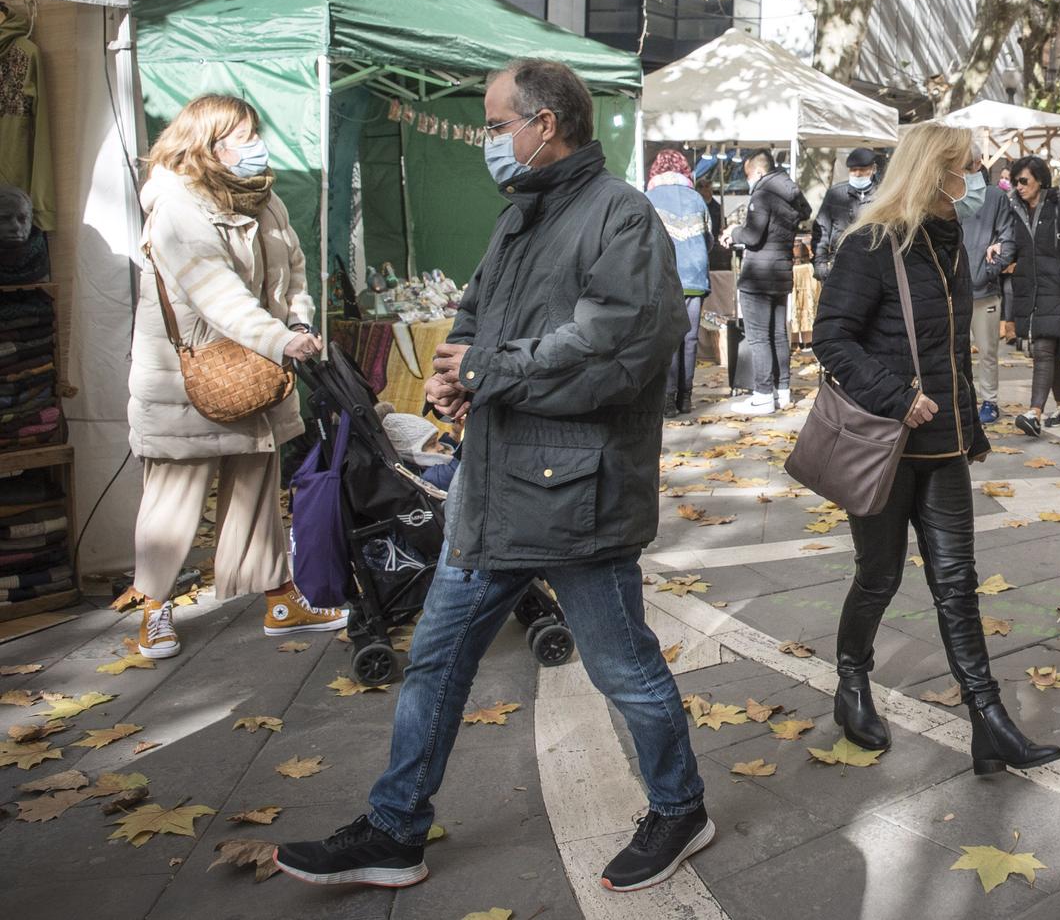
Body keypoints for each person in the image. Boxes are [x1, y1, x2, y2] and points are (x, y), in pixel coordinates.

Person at [277, 60, 709, 894]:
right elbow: (476, 316)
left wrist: (490, 368)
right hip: (492, 489)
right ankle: (397, 827)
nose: (488, 140)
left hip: (579, 497)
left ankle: (681, 804)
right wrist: (452, 372)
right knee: (435, 662)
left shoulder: (622, 215)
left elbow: (618, 346)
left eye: (494, 122)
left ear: (544, 124)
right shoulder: (521, 217)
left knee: (623, 668)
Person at [813, 122, 1060, 776]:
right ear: (936, 170)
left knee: (957, 584)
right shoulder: (874, 240)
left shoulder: (950, 239)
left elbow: (950, 349)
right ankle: (852, 682)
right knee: (880, 576)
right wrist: (896, 395)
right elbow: (832, 338)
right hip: (886, 444)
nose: (979, 173)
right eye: (967, 164)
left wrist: (969, 429)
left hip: (943, 445)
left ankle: (989, 719)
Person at [127, 94, 346, 660]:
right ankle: (153, 607)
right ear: (208, 145)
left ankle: (279, 597)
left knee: (255, 480)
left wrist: (298, 316)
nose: (255, 145)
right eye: (242, 136)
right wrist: (284, 339)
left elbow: (293, 267)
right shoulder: (176, 207)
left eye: (255, 132)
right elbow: (216, 294)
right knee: (175, 495)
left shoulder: (265, 200)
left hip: (258, 368)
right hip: (191, 375)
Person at [1004, 156, 1060, 437]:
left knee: (1043, 349)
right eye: (1015, 181)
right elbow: (1010, 245)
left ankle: (1034, 413)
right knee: (1048, 354)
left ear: (1040, 180)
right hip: (1027, 289)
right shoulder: (1013, 209)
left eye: (1024, 180)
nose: (1018, 186)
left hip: (1057, 288)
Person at [723, 149, 811, 415]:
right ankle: (782, 391)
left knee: (759, 338)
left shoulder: (762, 194)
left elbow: (752, 236)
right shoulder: (791, 191)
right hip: (782, 271)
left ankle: (762, 394)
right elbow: (805, 212)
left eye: (748, 174)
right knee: (779, 334)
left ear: (759, 171)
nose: (749, 180)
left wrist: (732, 232)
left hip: (758, 275)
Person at [646, 147, 710, 413]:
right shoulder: (697, 199)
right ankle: (686, 397)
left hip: (664, 278)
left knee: (668, 339)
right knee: (690, 339)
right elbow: (709, 237)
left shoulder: (648, 198)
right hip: (695, 275)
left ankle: (669, 399)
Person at [956, 148, 1016, 426]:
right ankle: (959, 400)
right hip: (952, 290)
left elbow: (1008, 238)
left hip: (984, 290)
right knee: (954, 352)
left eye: (967, 165)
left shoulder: (995, 197)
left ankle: (989, 400)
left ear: (979, 164)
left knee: (988, 351)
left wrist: (987, 271)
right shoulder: (949, 193)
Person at [812, 147, 878, 280]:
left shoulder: (883, 194)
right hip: (839, 263)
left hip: (874, 266)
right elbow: (822, 229)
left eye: (863, 170)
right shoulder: (835, 194)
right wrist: (821, 264)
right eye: (853, 170)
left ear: (873, 169)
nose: (858, 174)